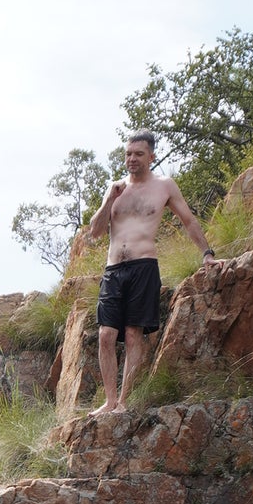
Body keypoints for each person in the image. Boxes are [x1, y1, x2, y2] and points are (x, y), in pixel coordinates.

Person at [86, 129, 218, 413]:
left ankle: (123, 402)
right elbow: (95, 233)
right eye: (128, 154)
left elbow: (188, 220)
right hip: (113, 269)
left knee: (133, 335)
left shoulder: (164, 186)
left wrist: (206, 254)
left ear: (151, 156)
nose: (132, 159)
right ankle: (109, 401)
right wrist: (109, 197)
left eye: (138, 154)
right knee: (106, 335)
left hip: (144, 266)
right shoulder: (117, 189)